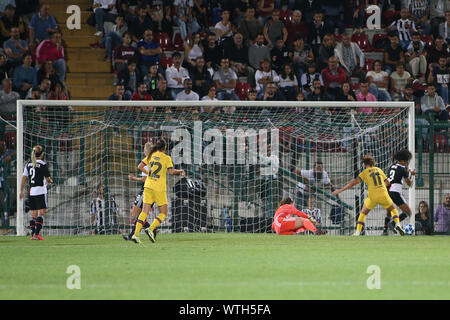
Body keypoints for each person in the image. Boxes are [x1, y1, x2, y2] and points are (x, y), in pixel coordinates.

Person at [332, 155, 405, 236]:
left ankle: (357, 232)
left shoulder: (364, 173)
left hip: (372, 196)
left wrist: (340, 190)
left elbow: (352, 183)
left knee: (363, 212)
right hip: (383, 194)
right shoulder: (379, 170)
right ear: (372, 163)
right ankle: (397, 224)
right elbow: (388, 183)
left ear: (364, 164)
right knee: (393, 209)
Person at [130, 139, 186, 244]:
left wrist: (149, 173)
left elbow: (140, 166)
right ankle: (151, 229)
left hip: (148, 186)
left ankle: (136, 235)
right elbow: (171, 171)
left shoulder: (151, 155)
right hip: (159, 188)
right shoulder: (166, 158)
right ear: (165, 148)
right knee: (163, 213)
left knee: (144, 212)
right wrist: (181, 171)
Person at [19, 145, 53, 240]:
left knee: (33, 214)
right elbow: (48, 179)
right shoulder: (42, 164)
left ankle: (33, 234)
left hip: (31, 191)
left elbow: (24, 178)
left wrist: (21, 191)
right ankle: (36, 234)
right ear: (42, 154)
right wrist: (51, 181)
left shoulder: (28, 164)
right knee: (41, 213)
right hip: (41, 190)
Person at [122, 142, 153, 241]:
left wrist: (133, 178)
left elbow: (145, 179)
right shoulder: (154, 161)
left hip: (146, 189)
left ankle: (133, 234)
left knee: (136, 213)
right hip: (150, 189)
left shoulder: (147, 162)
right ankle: (150, 230)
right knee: (138, 213)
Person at [382, 149, 416, 235]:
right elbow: (409, 184)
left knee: (389, 210)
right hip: (395, 191)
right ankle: (393, 224)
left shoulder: (392, 167)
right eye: (407, 161)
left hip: (387, 191)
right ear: (404, 160)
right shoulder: (403, 169)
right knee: (408, 212)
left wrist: (407, 172)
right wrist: (412, 175)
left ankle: (385, 230)